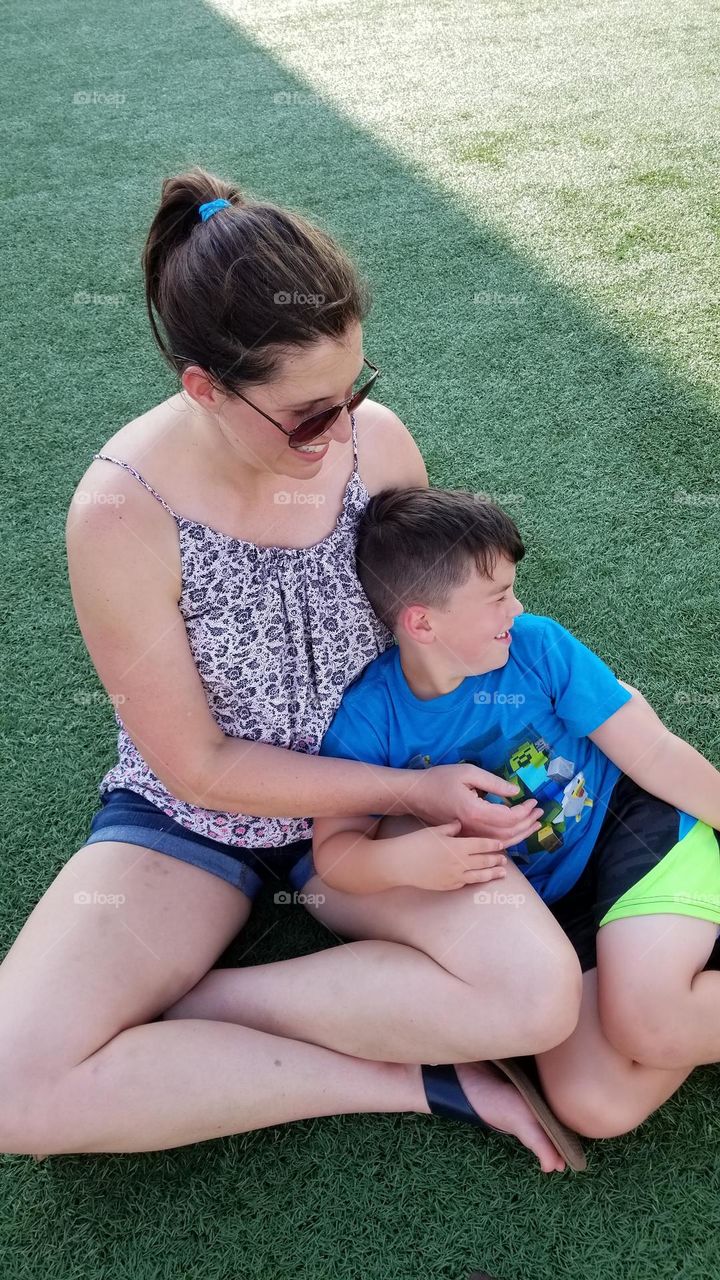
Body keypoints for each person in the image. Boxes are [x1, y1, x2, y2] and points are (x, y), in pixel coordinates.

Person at [0, 167, 582, 1172]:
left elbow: (432, 628)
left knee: (537, 995)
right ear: (205, 388)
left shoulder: (378, 446)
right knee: (15, 1093)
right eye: (309, 414)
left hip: (377, 800)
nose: (341, 431)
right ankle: (411, 1081)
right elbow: (201, 767)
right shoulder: (120, 512)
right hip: (199, 820)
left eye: (352, 391)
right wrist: (413, 788)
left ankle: (191, 1004)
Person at [304, 485, 720, 1140]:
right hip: (552, 913)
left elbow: (653, 752)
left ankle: (676, 983)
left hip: (634, 836)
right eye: (497, 596)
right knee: (596, 1107)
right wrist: (404, 858)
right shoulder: (370, 719)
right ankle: (690, 971)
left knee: (651, 1024)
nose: (517, 607)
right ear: (421, 623)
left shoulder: (537, 647)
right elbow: (336, 857)